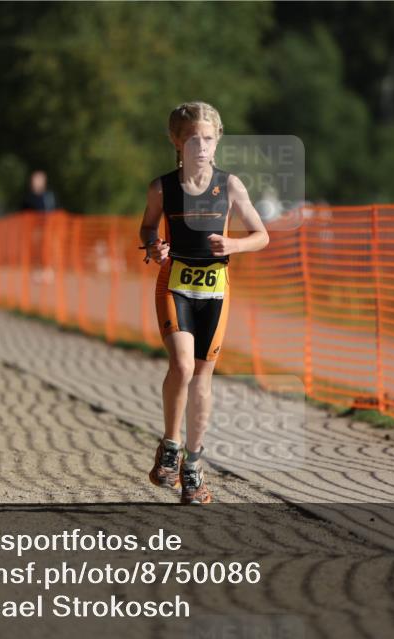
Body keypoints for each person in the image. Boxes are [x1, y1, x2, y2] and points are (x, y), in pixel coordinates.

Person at [138, 101, 269, 504]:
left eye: (209, 139)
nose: (202, 146)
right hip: (175, 285)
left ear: (218, 141)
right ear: (177, 142)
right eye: (194, 139)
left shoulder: (230, 186)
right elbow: (147, 227)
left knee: (202, 378)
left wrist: (233, 244)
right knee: (181, 365)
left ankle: (193, 466)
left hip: (215, 292)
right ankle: (170, 446)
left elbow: (261, 235)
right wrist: (154, 246)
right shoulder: (162, 188)